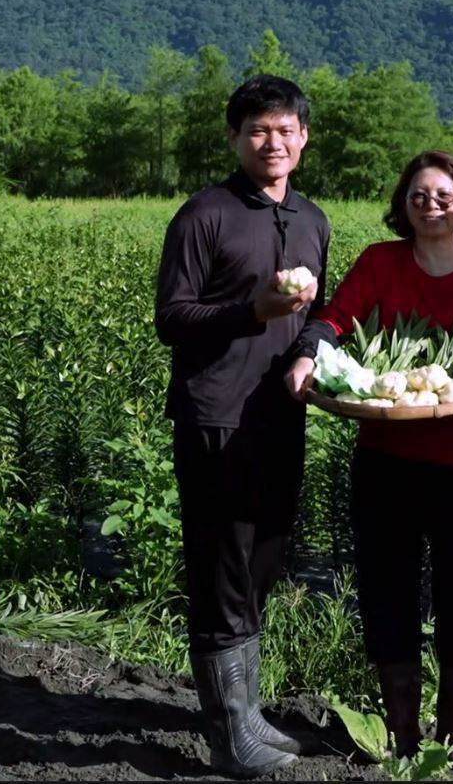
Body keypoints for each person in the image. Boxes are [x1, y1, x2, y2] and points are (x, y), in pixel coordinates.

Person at [285, 151, 453, 768]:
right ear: (404, 205)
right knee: (387, 589)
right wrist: (311, 354)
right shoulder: (379, 263)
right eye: (418, 196)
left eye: (442, 194)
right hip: (386, 458)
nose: (430, 205)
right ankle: (401, 735)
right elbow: (336, 318)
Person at [153, 75, 330, 777]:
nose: (273, 141)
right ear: (234, 138)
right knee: (222, 566)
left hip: (280, 416)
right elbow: (172, 317)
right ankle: (229, 734)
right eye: (258, 129)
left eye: (285, 129)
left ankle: (247, 712)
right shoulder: (204, 215)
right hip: (216, 416)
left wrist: (311, 348)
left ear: (304, 138)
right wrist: (249, 313)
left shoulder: (312, 218)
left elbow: (325, 307)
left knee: (263, 561)